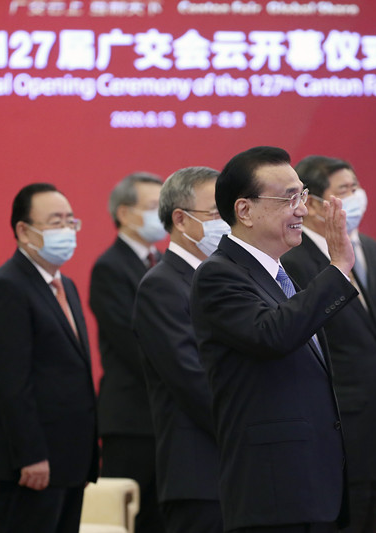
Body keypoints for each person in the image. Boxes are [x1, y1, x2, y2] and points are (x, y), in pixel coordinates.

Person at [190, 146, 358, 533]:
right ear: (245, 210)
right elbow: (273, 335)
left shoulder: (279, 276)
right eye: (288, 199)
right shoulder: (219, 275)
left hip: (311, 484)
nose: (301, 209)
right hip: (272, 491)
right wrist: (337, 268)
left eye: (302, 196)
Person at [281, 156, 376, 533]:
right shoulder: (293, 261)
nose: (355, 197)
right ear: (313, 204)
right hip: (335, 419)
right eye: (344, 191)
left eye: (356, 187)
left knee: (370, 513)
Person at [0, 183, 98, 533]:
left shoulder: (66, 286)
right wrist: (31, 455)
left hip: (70, 461)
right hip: (32, 465)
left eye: (70, 221)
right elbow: (11, 384)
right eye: (55, 222)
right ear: (23, 230)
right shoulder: (7, 286)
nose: (66, 230)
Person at [132, 166, 228, 533]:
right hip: (200, 475)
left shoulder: (223, 278)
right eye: (216, 213)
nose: (227, 223)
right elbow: (192, 379)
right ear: (181, 219)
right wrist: (249, 425)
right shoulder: (162, 286)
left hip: (238, 471)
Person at [89, 172, 166, 533]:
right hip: (131, 419)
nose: (161, 215)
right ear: (124, 213)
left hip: (167, 415)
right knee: (127, 519)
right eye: (152, 207)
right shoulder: (110, 267)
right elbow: (131, 342)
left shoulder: (164, 262)